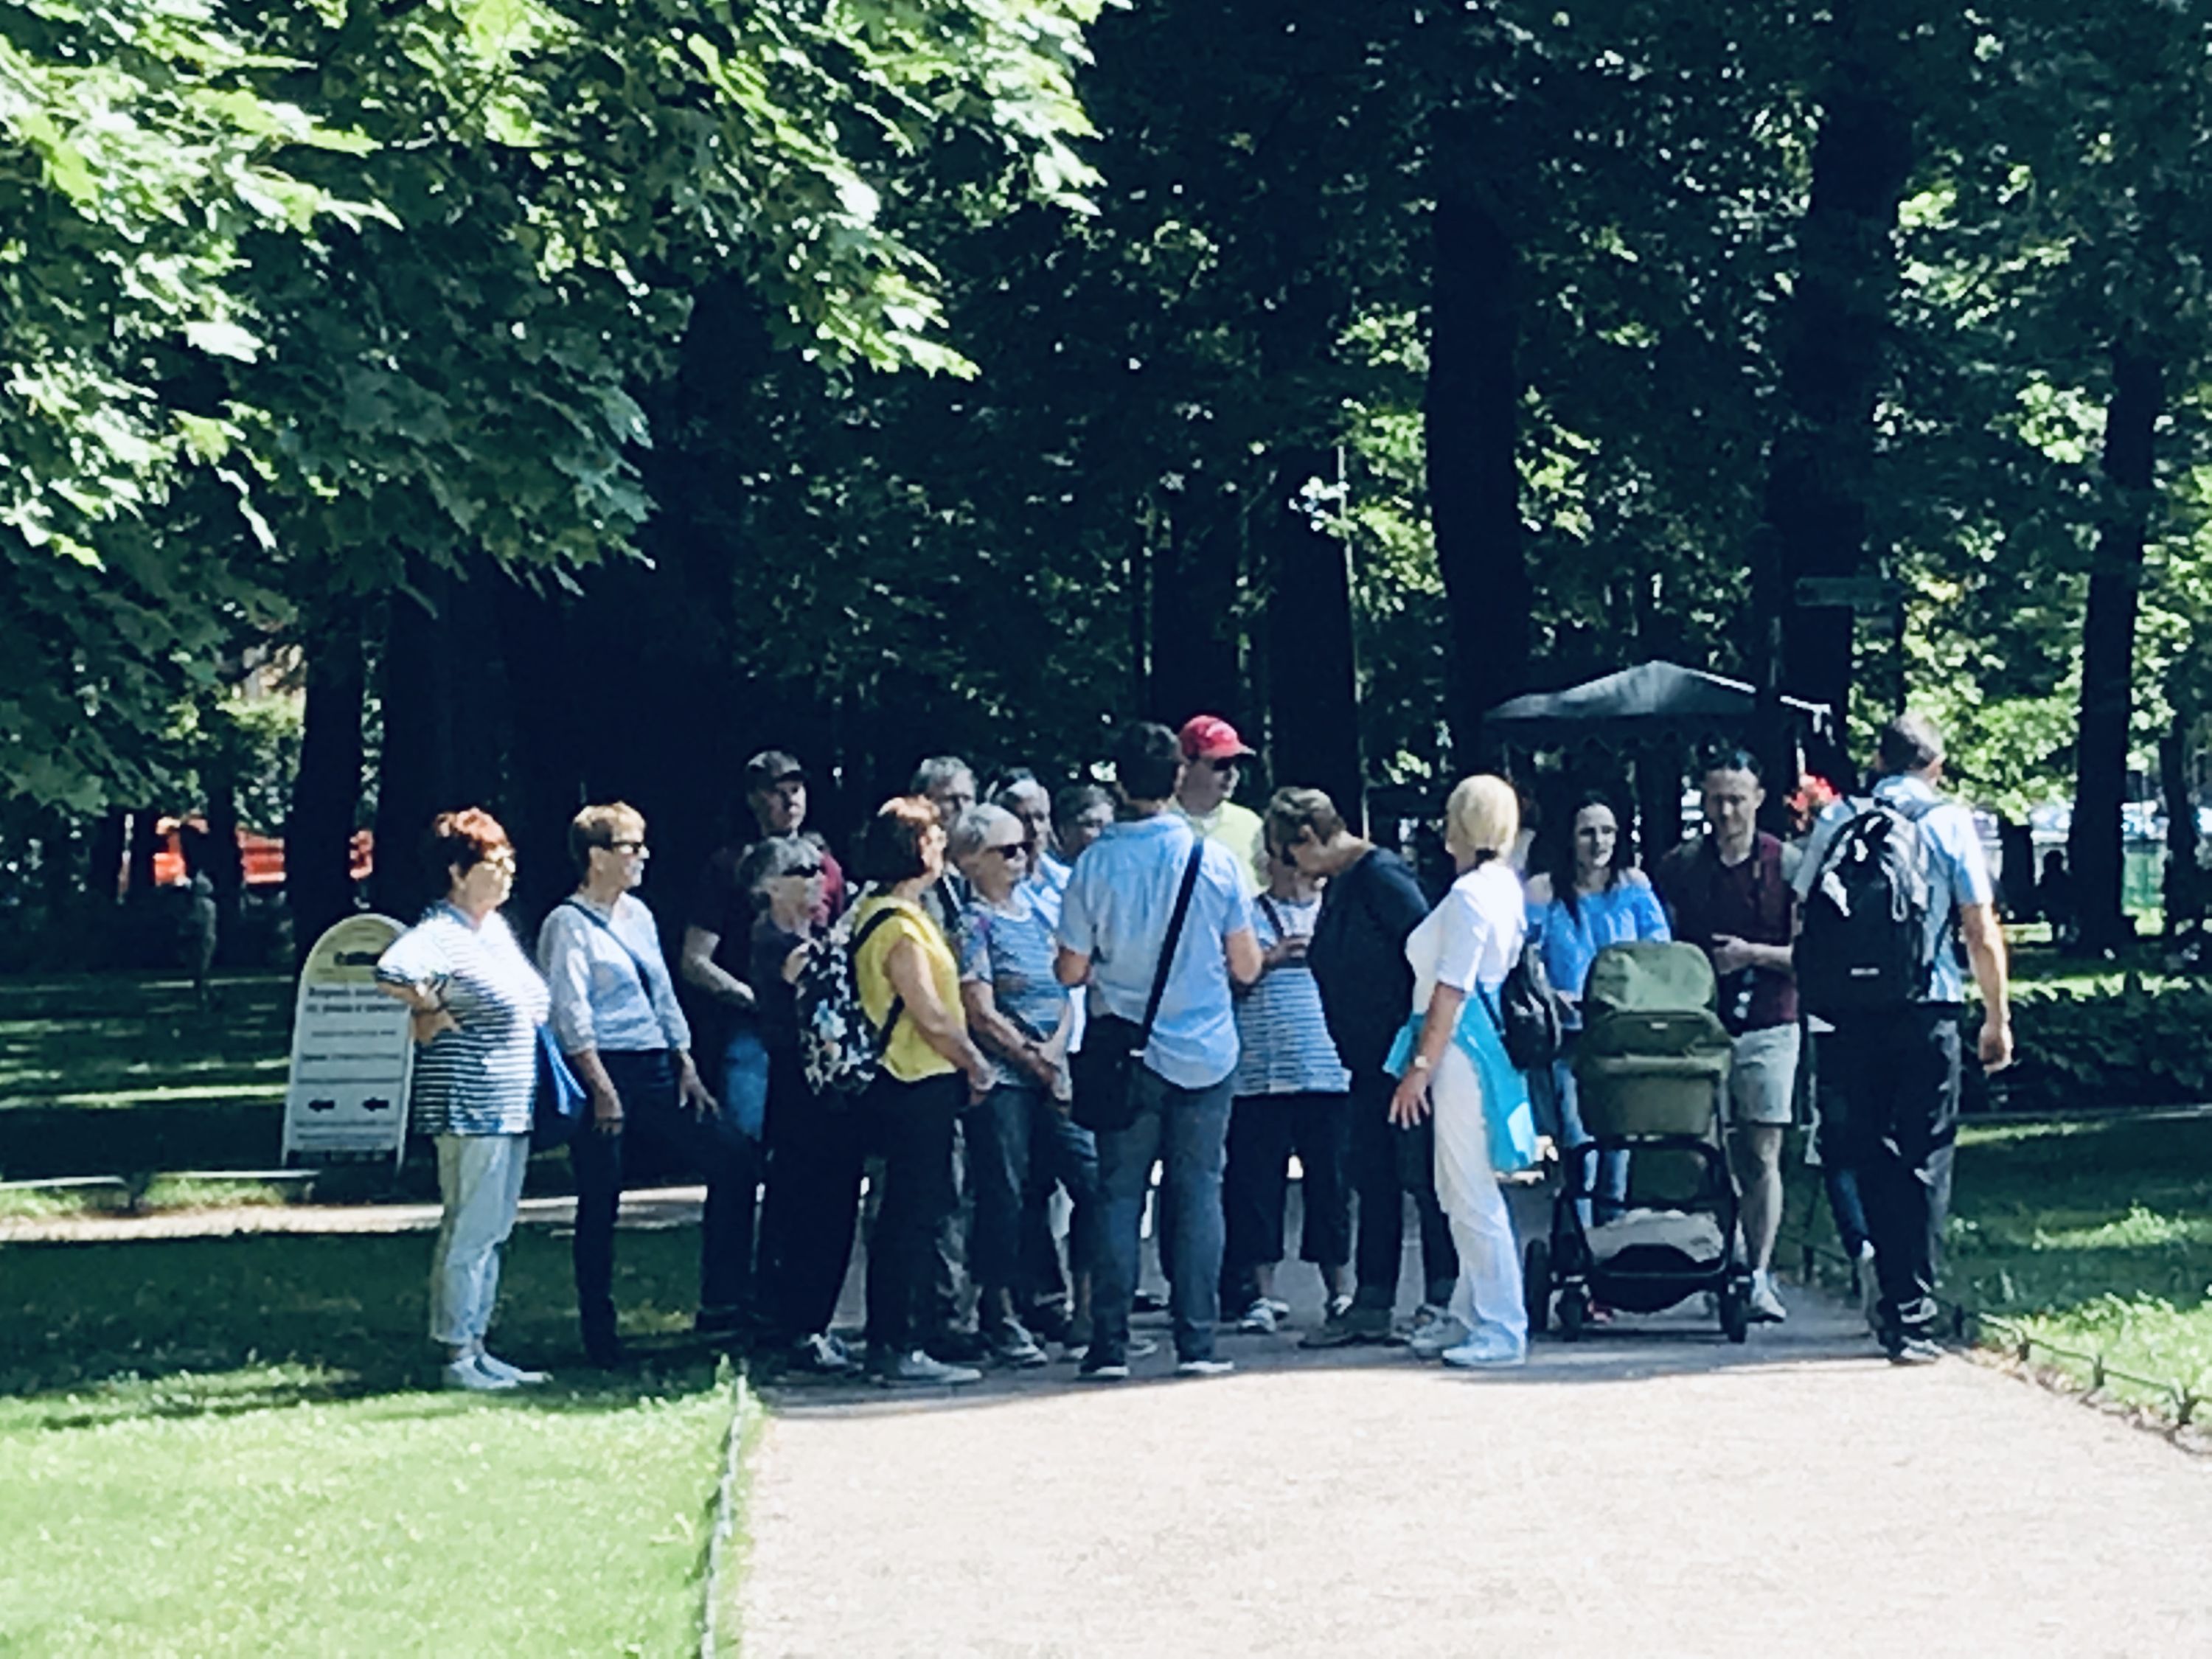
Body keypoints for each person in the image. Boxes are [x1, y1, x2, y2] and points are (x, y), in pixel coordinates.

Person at [1794, 714, 2012, 1364]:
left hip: (1849, 1013)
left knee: (1865, 1151)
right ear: (1935, 765)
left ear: (1878, 761)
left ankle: (1882, 1284)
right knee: (1923, 1155)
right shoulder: (1948, 823)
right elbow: (1979, 927)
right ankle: (1912, 1316)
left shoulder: (1839, 819)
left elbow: (1806, 910)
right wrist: (1996, 1017)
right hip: (1927, 1006)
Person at [1057, 720, 1262, 1380]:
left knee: (1119, 1195)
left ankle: (1109, 1345)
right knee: (1199, 1192)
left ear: (1118, 783)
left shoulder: (1094, 864)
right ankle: (1197, 1341)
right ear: (1177, 776)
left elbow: (1069, 969)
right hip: (1205, 1049)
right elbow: (1246, 965)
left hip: (1124, 1050)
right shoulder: (1215, 861)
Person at [538, 802, 737, 1367]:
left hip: (656, 1065)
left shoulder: (640, 916)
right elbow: (569, 1012)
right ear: (596, 856)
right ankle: (599, 1333)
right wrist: (602, 1089)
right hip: (603, 1067)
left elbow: (663, 992)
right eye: (630, 846)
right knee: (601, 1196)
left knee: (733, 1159)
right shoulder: (567, 924)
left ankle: (723, 1301)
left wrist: (685, 1060)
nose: (643, 856)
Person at [375, 809, 552, 1392]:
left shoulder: (492, 932)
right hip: (468, 1106)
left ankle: (478, 1346)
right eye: (494, 862)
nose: (508, 871)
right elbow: (392, 971)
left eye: (509, 860)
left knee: (493, 1230)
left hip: (509, 1104)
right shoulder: (439, 934)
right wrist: (430, 1009)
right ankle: (456, 1353)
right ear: (457, 872)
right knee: (469, 1230)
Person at [1279, 788, 1462, 1349]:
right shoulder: (1343, 882)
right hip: (1366, 1063)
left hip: (1401, 1056)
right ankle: (1373, 1300)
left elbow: (1429, 953)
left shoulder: (1381, 876)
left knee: (1424, 1180)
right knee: (1374, 1177)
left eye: (1290, 855)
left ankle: (1444, 1298)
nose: (1292, 870)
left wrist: (1420, 1055)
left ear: (1307, 838)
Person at [849, 796, 998, 1385]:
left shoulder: (887, 912)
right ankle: (899, 1343)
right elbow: (930, 1013)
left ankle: (895, 1342)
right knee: (912, 1218)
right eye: (933, 837)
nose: (941, 845)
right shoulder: (900, 924)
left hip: (916, 1079)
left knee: (909, 1213)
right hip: (914, 1079)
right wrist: (974, 1063)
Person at [1385, 776, 1531, 1368]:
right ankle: (1472, 1313)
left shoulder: (1470, 894)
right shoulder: (1502, 887)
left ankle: (1502, 1324)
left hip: (1461, 1049)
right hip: (1475, 1043)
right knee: (1457, 1186)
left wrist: (1420, 1066)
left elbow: (1452, 988)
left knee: (1467, 1187)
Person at [950, 803, 1099, 1366]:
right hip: (1006, 1080)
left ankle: (1088, 1311)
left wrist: (1055, 1053)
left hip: (1051, 1069)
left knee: (1092, 1180)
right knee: (1004, 1194)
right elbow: (979, 1010)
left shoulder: (1037, 917)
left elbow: (1065, 991)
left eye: (1025, 847)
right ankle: (1001, 1313)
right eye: (1007, 850)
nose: (1022, 857)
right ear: (971, 860)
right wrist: (1033, 1061)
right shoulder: (972, 924)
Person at [1656, 751, 1801, 1325]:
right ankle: (1723, 1260)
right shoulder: (1681, 866)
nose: (1726, 811)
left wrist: (1752, 955)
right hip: (1700, 1028)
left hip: (1771, 1020)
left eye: (1737, 799)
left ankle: (1759, 1274)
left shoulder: (1787, 864)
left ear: (1759, 799)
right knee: (1703, 1153)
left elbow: (1812, 955)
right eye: (1716, 799)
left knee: (1762, 1152)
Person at [740, 835, 865, 1374]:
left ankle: (811, 1321)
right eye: (802, 871)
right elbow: (808, 973)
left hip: (823, 1087)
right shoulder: (772, 939)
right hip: (799, 1088)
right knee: (809, 1204)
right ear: (770, 886)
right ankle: (800, 1325)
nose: (818, 879)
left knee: (832, 1204)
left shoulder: (808, 934)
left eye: (819, 869)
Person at [1221, 824, 1354, 1334]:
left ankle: (1340, 1290)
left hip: (1329, 1069)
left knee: (1332, 1186)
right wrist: (1272, 957)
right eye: (1287, 858)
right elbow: (1228, 978)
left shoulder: (1336, 911)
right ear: (1269, 861)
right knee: (1256, 1186)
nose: (1299, 870)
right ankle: (1262, 1294)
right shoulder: (1247, 914)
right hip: (1260, 1072)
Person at [680, 750, 844, 1152]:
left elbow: (843, 939)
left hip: (817, 1028)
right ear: (754, 799)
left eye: (797, 789)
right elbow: (695, 959)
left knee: (815, 1145)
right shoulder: (728, 866)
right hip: (751, 1025)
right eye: (777, 791)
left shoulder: (827, 866)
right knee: (744, 1139)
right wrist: (755, 998)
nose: (791, 800)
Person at [1527, 790, 1671, 1222]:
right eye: (1588, 832)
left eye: (1608, 831)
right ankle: (1582, 1241)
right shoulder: (1544, 891)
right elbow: (1523, 957)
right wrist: (1549, 993)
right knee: (1580, 1146)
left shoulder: (1634, 886)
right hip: (1569, 1036)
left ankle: (1612, 1240)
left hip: (1621, 1034)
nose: (1599, 842)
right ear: (1569, 838)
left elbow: (1658, 952)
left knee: (1619, 1148)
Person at [1171, 715, 1266, 897]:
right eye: (1221, 764)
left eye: (1237, 764)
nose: (1232, 774)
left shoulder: (1250, 825)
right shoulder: (1158, 825)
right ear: (1185, 765)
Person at [1054, 782, 1116, 863]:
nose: (1105, 834)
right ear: (1064, 830)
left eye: (1109, 827)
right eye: (1093, 825)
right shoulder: (1046, 868)